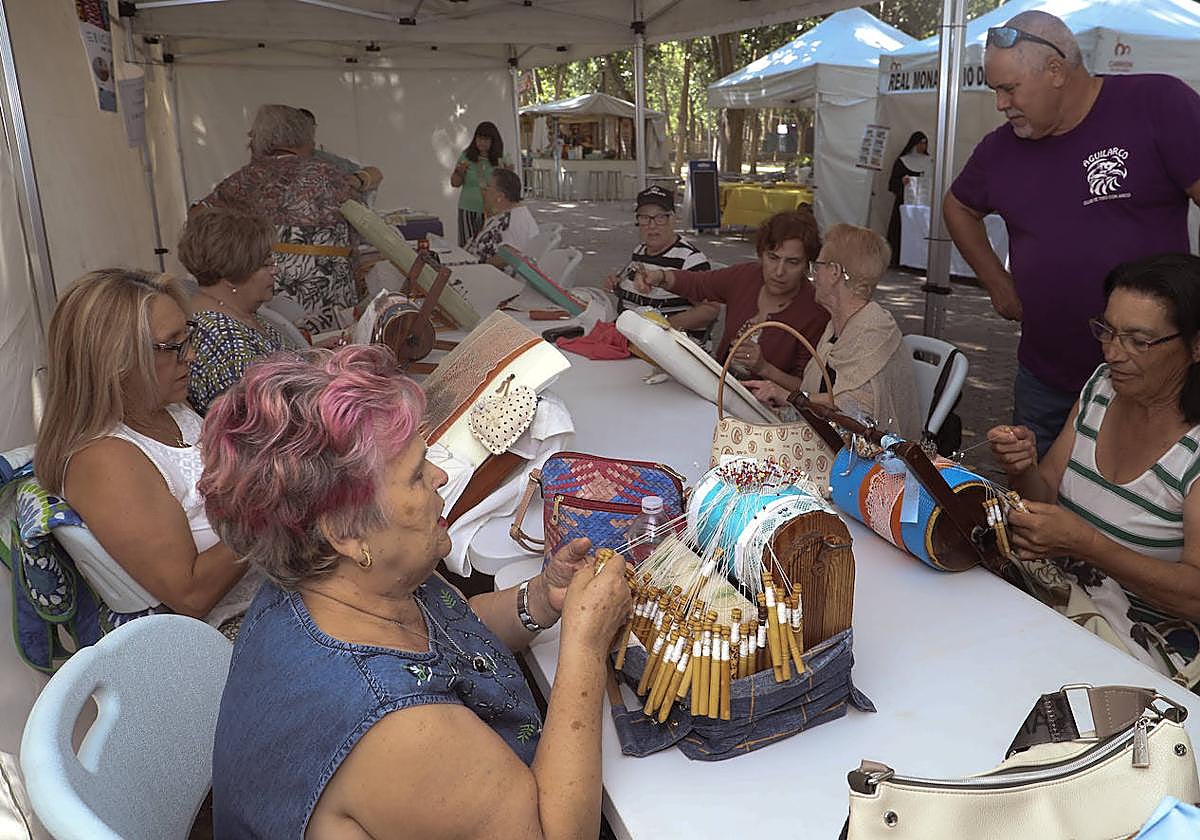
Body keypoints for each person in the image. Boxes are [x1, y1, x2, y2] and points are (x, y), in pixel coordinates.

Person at [201, 345, 631, 838]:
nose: (440, 476)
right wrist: (585, 646)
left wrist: (538, 599)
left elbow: (454, 638)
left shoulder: (339, 582)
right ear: (347, 532)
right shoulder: (400, 728)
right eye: (415, 473)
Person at [944, 10, 1200, 458]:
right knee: (1033, 491)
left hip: (1154, 382)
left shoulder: (1156, 103)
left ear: (1056, 70)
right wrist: (998, 284)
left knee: (1148, 497)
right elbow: (958, 206)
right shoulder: (1000, 150)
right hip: (1047, 378)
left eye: (1009, 89)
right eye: (995, 90)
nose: (1001, 104)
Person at [988, 254, 1200, 672]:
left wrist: (1086, 544)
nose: (1113, 353)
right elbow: (1044, 495)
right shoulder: (1101, 388)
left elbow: (1195, 595)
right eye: (1108, 331)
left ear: (1195, 345)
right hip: (1057, 607)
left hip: (1142, 650)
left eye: (1139, 341)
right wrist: (1023, 468)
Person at [33, 270, 260, 635]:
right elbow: (191, 595)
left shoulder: (169, 409)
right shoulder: (105, 459)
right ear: (116, 361)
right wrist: (273, 509)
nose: (192, 355)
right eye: (172, 346)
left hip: (269, 597)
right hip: (234, 630)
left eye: (188, 337)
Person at [194, 104, 369, 333]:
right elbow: (362, 226)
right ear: (302, 136)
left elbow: (198, 215)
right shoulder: (330, 175)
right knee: (333, 345)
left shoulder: (244, 179)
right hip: (328, 292)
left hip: (262, 287)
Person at [745, 224, 922, 439]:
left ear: (835, 272)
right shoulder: (838, 325)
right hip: (828, 439)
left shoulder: (873, 330)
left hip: (865, 454)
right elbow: (822, 394)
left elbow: (857, 409)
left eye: (817, 266)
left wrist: (790, 397)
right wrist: (782, 397)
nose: (814, 275)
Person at [633, 210, 829, 392]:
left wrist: (764, 368)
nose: (779, 271)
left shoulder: (815, 312)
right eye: (772, 258)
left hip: (767, 410)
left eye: (792, 262)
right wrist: (659, 276)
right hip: (718, 390)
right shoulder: (746, 276)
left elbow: (809, 389)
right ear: (761, 254)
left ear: (807, 265)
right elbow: (699, 283)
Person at [177, 207, 290, 415]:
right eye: (266, 265)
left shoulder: (238, 313)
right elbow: (259, 419)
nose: (274, 271)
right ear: (232, 275)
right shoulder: (221, 339)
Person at [604, 184, 715, 334]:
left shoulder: (690, 259)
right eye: (645, 218)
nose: (652, 225)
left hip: (665, 342)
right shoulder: (640, 250)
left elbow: (710, 310)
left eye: (660, 217)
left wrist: (665, 327)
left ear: (674, 219)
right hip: (628, 333)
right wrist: (618, 284)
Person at [451, 121, 512, 246]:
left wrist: (508, 172)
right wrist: (459, 172)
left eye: (486, 139)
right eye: (479, 138)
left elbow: (509, 186)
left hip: (492, 211)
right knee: (467, 246)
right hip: (468, 208)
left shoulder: (502, 158)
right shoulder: (466, 156)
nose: (481, 142)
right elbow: (454, 183)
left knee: (488, 246)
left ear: (494, 141)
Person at [297, 107, 383, 194]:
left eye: (308, 127)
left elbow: (376, 174)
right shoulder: (289, 165)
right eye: (298, 127)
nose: (303, 132)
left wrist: (358, 180)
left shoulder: (324, 159)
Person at [464, 168, 539, 265]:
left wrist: (478, 266)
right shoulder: (504, 214)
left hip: (485, 271)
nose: (484, 190)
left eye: (488, 186)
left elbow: (508, 257)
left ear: (500, 196)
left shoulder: (514, 220)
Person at [886, 131, 931, 265]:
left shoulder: (930, 162)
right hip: (904, 203)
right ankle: (897, 260)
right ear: (914, 144)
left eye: (925, 143)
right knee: (901, 231)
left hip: (924, 205)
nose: (923, 146)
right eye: (920, 143)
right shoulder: (902, 162)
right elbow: (892, 183)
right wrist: (902, 181)